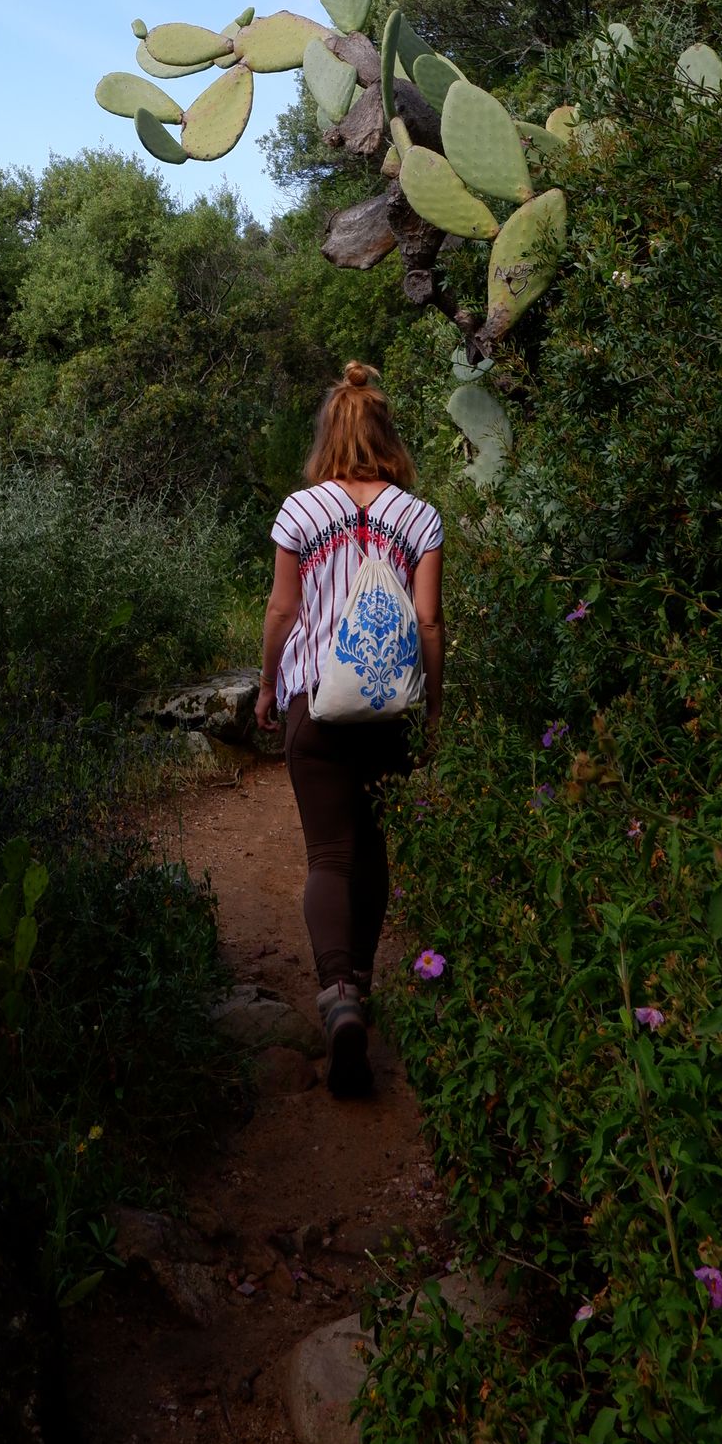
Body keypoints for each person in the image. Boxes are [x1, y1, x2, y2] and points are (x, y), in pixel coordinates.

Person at [254, 363, 444, 1097]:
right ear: (387, 435)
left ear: (329, 436)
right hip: (388, 707)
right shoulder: (418, 516)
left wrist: (270, 685)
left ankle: (338, 999)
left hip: (316, 704)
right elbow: (428, 621)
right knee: (371, 848)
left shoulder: (299, 514)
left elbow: (281, 611)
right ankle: (362, 977)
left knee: (328, 855)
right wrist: (433, 705)